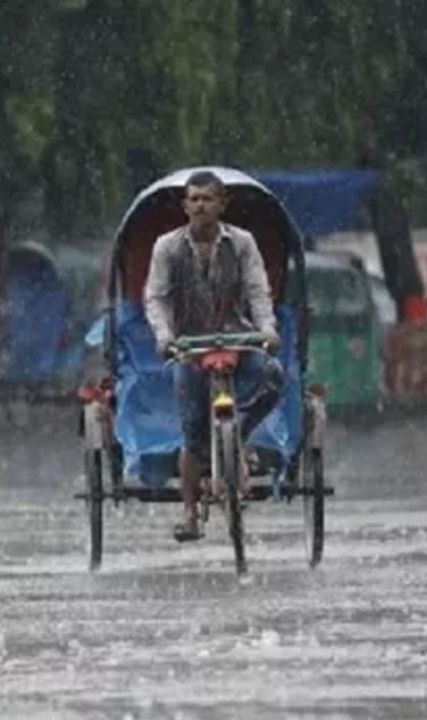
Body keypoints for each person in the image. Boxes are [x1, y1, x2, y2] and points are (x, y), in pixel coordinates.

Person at [143, 170, 285, 543]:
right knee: (191, 432)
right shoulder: (167, 247)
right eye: (194, 199)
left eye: (208, 198)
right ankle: (190, 513)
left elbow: (258, 290)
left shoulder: (241, 243)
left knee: (273, 378)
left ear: (223, 204)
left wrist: (267, 329)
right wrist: (165, 337)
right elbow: (155, 298)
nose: (200, 205)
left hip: (239, 338)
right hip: (190, 347)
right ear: (185, 205)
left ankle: (238, 435)